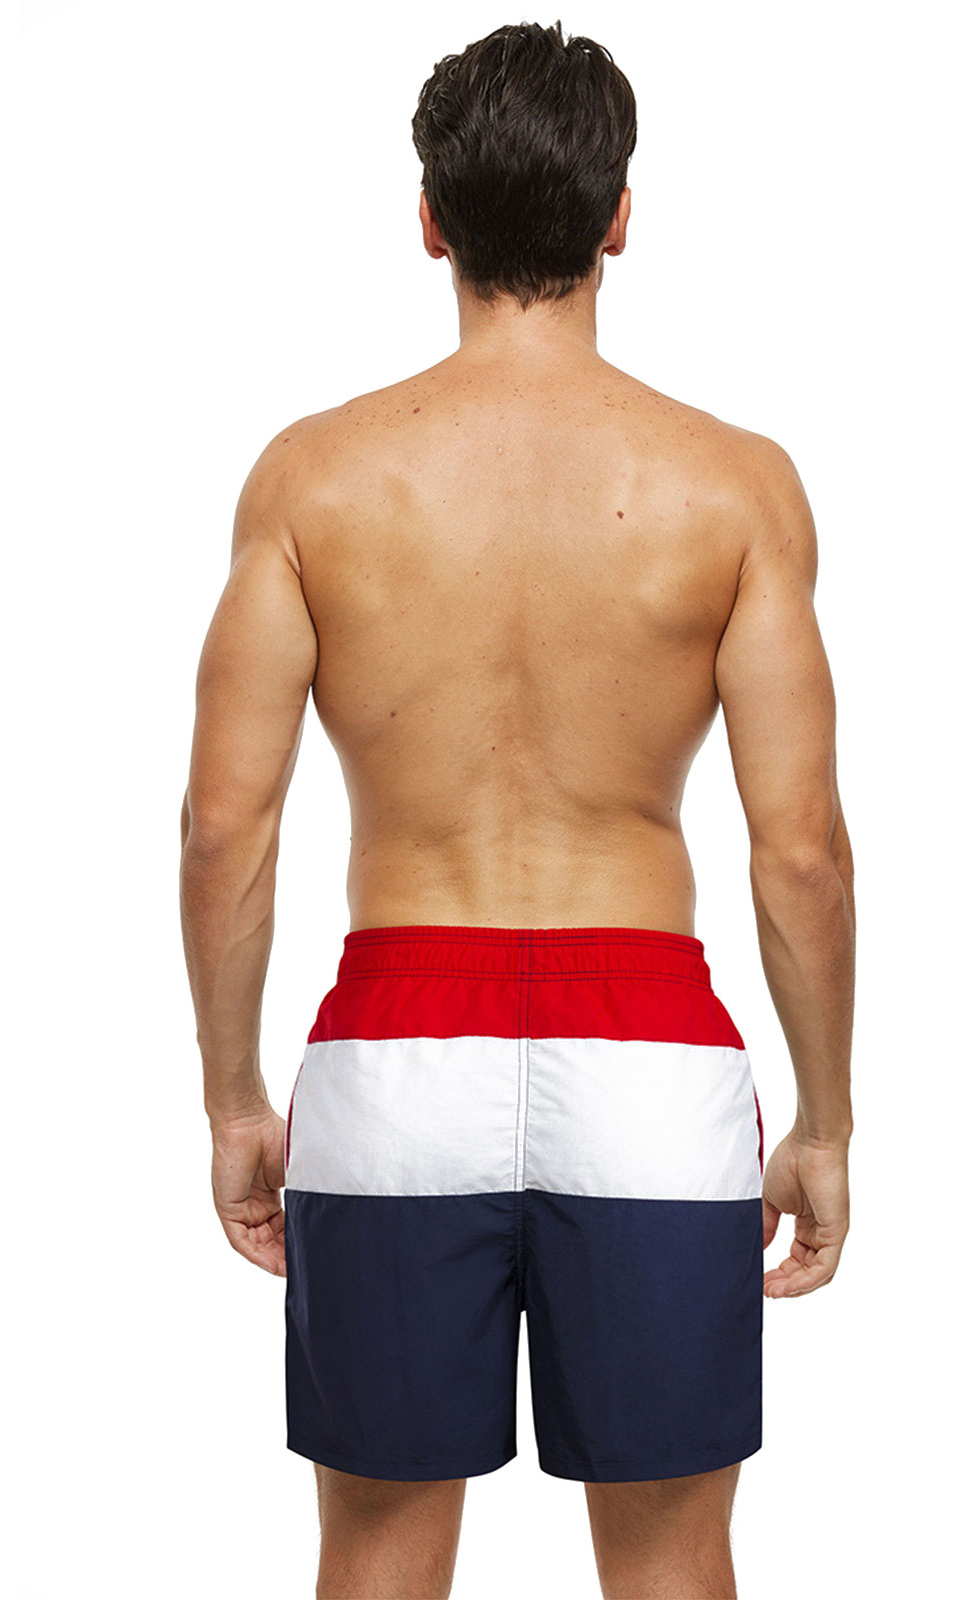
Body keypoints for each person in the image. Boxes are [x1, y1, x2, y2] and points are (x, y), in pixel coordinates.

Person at [178, 20, 855, 1600]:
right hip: (650, 1063)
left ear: (430, 220)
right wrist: (825, 1120)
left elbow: (225, 828)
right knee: (673, 1562)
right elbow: (801, 850)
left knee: (377, 1554)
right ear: (621, 216)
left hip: (395, 1052)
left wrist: (232, 1100)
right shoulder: (734, 486)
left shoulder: (313, 480)